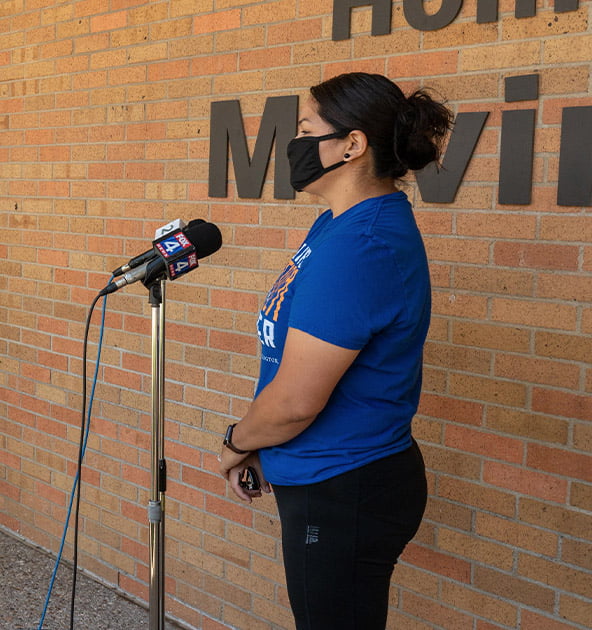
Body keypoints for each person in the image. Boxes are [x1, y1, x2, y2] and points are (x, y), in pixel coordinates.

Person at [219, 72, 452, 630]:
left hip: (345, 486)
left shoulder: (361, 245)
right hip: (323, 473)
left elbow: (297, 401)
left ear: (352, 144)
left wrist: (235, 442)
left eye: (304, 130)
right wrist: (265, 447)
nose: (293, 145)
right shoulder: (335, 226)